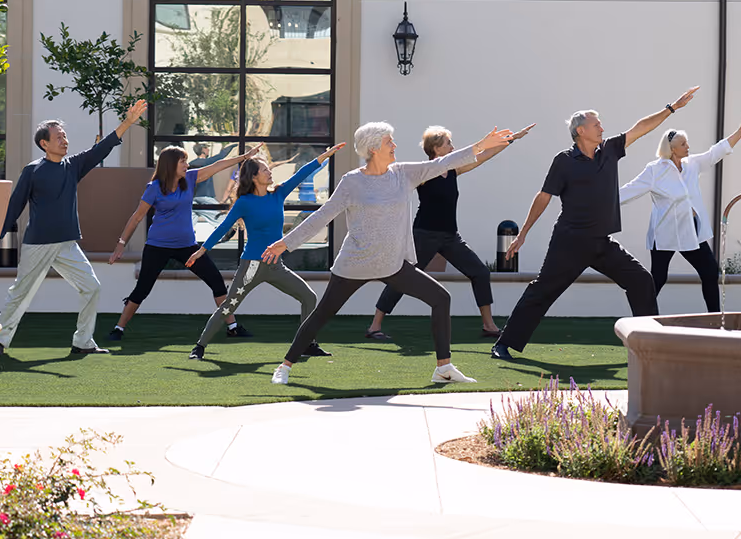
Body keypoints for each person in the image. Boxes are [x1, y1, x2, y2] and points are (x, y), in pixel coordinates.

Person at [261, 122, 514, 385]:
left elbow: (444, 163)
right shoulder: (352, 182)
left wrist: (481, 144)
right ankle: (285, 366)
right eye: (389, 142)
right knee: (322, 314)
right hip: (355, 264)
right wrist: (286, 243)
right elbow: (323, 215)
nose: (395, 146)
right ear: (373, 149)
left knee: (441, 298)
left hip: (393, 264)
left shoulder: (402, 173)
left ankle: (444, 367)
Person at [490, 88, 699, 362]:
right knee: (542, 291)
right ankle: (503, 345)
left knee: (641, 281)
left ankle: (651, 346)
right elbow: (543, 197)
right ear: (580, 131)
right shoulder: (563, 161)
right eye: (596, 124)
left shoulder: (610, 151)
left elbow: (640, 129)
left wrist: (672, 108)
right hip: (570, 242)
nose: (602, 127)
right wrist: (523, 233)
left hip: (602, 242)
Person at [0, 100, 147, 358]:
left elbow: (101, 149)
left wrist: (127, 122)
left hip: (67, 244)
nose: (64, 140)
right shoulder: (33, 170)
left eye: (64, 136)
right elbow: (15, 205)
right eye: (58, 137)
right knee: (20, 293)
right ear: (44, 144)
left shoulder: (73, 166)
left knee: (91, 287)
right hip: (38, 244)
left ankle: (83, 341)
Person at [365, 122, 535, 340]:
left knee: (480, 273)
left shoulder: (454, 170)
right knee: (404, 278)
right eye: (448, 143)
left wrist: (511, 139)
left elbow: (485, 155)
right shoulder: (423, 173)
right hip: (424, 235)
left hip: (450, 237)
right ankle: (374, 327)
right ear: (436, 148)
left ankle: (489, 326)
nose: (453, 147)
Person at [185, 143, 346, 360]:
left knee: (309, 297)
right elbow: (223, 228)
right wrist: (201, 251)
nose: (270, 172)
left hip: (276, 265)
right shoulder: (244, 202)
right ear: (253, 177)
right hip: (252, 266)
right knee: (228, 306)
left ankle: (308, 343)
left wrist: (323, 157)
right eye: (265, 170)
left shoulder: (277, 195)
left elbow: (301, 174)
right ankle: (199, 347)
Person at [105, 143, 264, 341]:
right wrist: (121, 243)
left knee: (216, 281)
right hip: (157, 246)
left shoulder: (189, 179)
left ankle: (232, 326)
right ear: (171, 164)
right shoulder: (154, 188)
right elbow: (137, 217)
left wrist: (244, 157)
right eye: (183, 161)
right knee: (142, 288)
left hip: (187, 247)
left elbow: (218, 165)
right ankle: (119, 328)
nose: (187, 165)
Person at [619, 109, 741, 312]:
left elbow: (717, 151)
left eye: (687, 143)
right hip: (664, 232)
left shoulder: (692, 164)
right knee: (658, 277)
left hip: (691, 230)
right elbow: (629, 191)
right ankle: (641, 318)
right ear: (672, 149)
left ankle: (714, 319)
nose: (688, 147)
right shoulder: (654, 170)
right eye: (683, 144)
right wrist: (598, 201)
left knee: (710, 271)